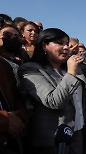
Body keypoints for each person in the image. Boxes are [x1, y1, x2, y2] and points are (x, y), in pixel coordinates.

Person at [0, 23, 27, 154]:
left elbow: (17, 97)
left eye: (16, 36)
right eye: (7, 35)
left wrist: (21, 118)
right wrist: (4, 120)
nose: (12, 38)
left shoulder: (21, 63)